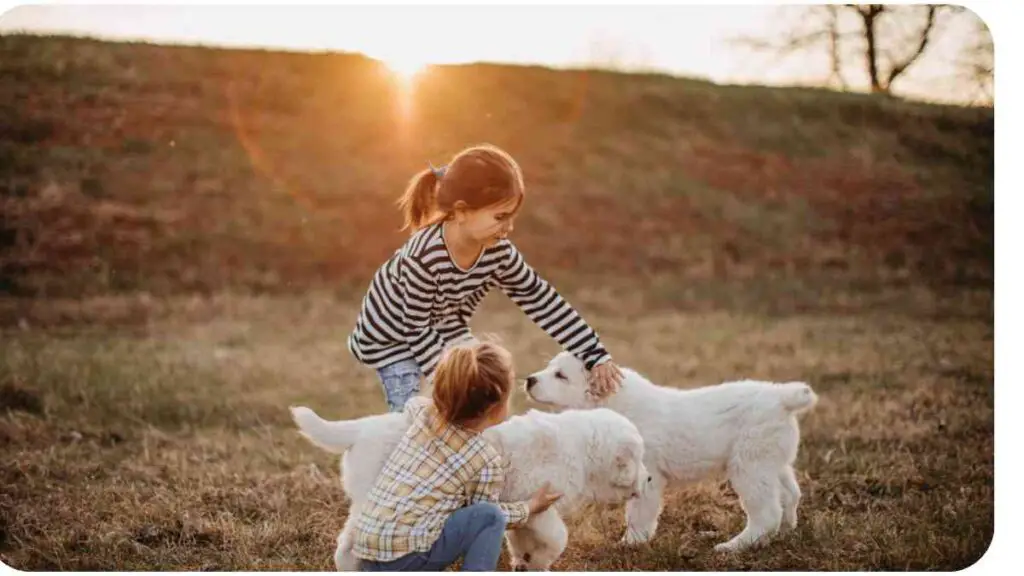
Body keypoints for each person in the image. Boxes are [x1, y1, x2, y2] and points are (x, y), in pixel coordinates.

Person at [347, 143, 624, 412]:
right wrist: (449, 381)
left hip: (443, 326)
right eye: (500, 216)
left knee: (483, 392)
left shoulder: (498, 252)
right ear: (462, 211)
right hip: (391, 340)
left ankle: (473, 450)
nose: (509, 227)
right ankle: (407, 450)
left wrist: (593, 353)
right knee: (417, 412)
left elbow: (541, 299)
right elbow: (415, 328)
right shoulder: (424, 258)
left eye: (513, 216)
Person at [353, 341, 563, 572]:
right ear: (497, 406)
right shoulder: (484, 460)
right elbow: (487, 516)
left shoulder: (422, 413)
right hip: (406, 557)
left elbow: (413, 403)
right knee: (490, 515)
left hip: (366, 549)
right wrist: (530, 507)